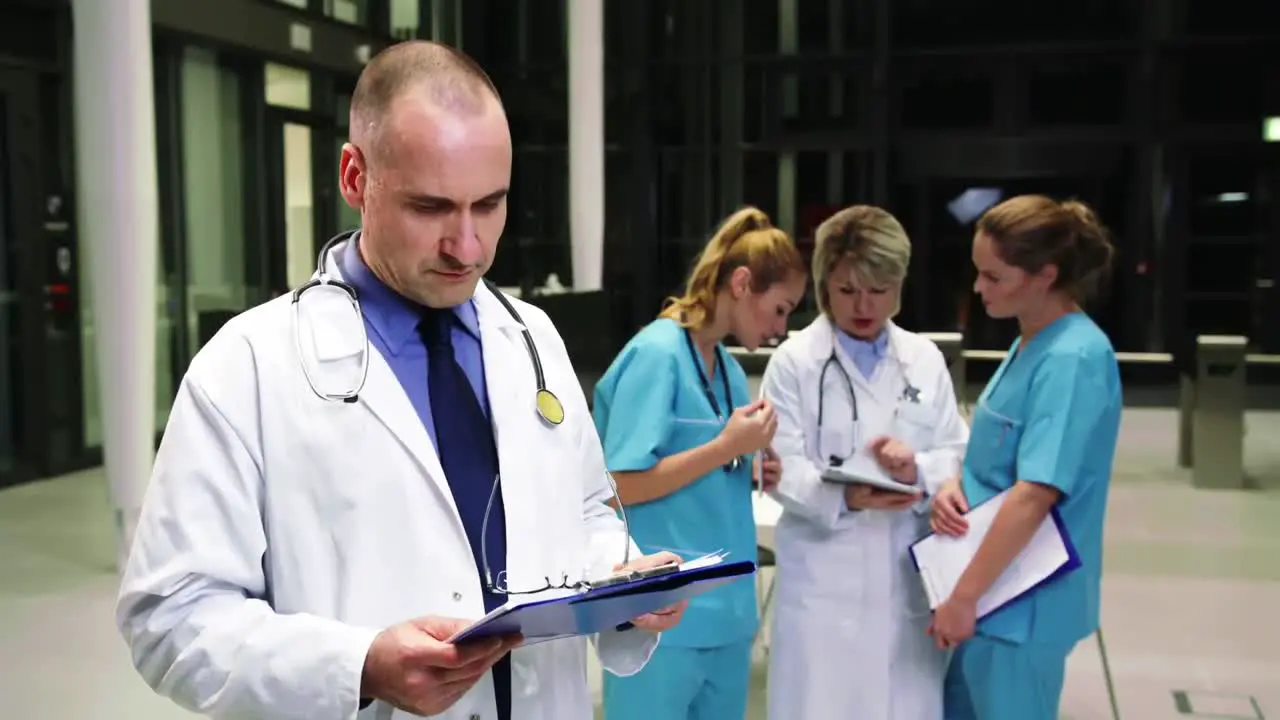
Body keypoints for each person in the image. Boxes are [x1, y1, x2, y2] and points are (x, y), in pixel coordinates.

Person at [115, 40, 685, 720]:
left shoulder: (530, 338)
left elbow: (587, 510)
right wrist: (355, 668)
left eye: (490, 204)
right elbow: (169, 616)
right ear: (355, 178)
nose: (468, 247)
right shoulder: (246, 368)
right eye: (431, 207)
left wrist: (619, 579)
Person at [592, 206, 807, 720]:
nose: (781, 328)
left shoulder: (729, 371)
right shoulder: (657, 355)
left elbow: (708, 472)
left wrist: (752, 466)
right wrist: (725, 448)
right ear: (741, 283)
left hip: (728, 616)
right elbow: (617, 485)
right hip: (659, 616)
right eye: (779, 309)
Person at [759, 205, 970, 720]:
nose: (863, 304)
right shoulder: (795, 362)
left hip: (904, 574)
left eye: (877, 289)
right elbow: (778, 464)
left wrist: (915, 469)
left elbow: (956, 453)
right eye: (848, 289)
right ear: (824, 285)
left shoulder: (923, 359)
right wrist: (845, 496)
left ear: (898, 285)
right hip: (822, 578)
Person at [928, 194, 1121, 720]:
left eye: (993, 276)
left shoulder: (1074, 358)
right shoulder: (1027, 344)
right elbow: (997, 455)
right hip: (990, 591)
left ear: (1044, 275)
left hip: (1020, 603)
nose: (978, 287)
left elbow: (1035, 493)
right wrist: (954, 482)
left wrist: (963, 599)